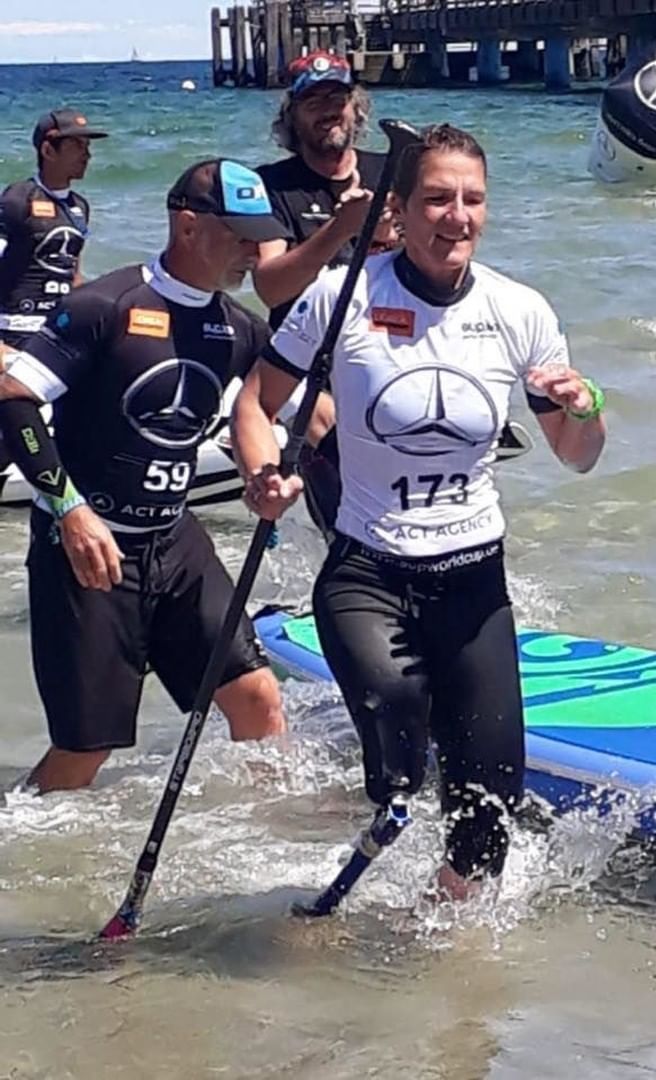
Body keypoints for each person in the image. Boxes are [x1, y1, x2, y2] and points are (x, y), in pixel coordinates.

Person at [232, 123, 607, 900]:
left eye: (473, 200)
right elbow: (256, 400)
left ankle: (442, 973)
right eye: (437, 198)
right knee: (400, 731)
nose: (457, 216)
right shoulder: (342, 299)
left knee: (489, 818)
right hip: (367, 572)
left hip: (473, 584)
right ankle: (385, 812)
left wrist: (585, 404)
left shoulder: (519, 311)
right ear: (399, 210)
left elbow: (578, 453)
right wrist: (263, 471)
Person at [0, 158, 289, 794]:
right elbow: (13, 399)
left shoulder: (238, 329)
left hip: (176, 543)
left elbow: (293, 408)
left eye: (259, 234)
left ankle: (265, 848)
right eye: (239, 234)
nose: (252, 250)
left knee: (257, 699)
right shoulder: (104, 306)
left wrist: (273, 471)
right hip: (87, 549)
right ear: (187, 227)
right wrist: (69, 509)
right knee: (84, 755)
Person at [255, 50, 400, 536]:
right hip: (305, 362)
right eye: (312, 100)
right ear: (292, 115)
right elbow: (271, 285)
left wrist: (392, 240)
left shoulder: (395, 171)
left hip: (389, 350)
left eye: (337, 97)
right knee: (333, 446)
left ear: (356, 106)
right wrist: (340, 229)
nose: (328, 110)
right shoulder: (272, 186)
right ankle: (347, 562)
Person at [0, 109, 109, 358]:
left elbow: (74, 274)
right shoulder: (17, 198)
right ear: (48, 151)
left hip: (57, 335)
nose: (87, 155)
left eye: (88, 146)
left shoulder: (80, 207)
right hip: (13, 334)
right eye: (77, 146)